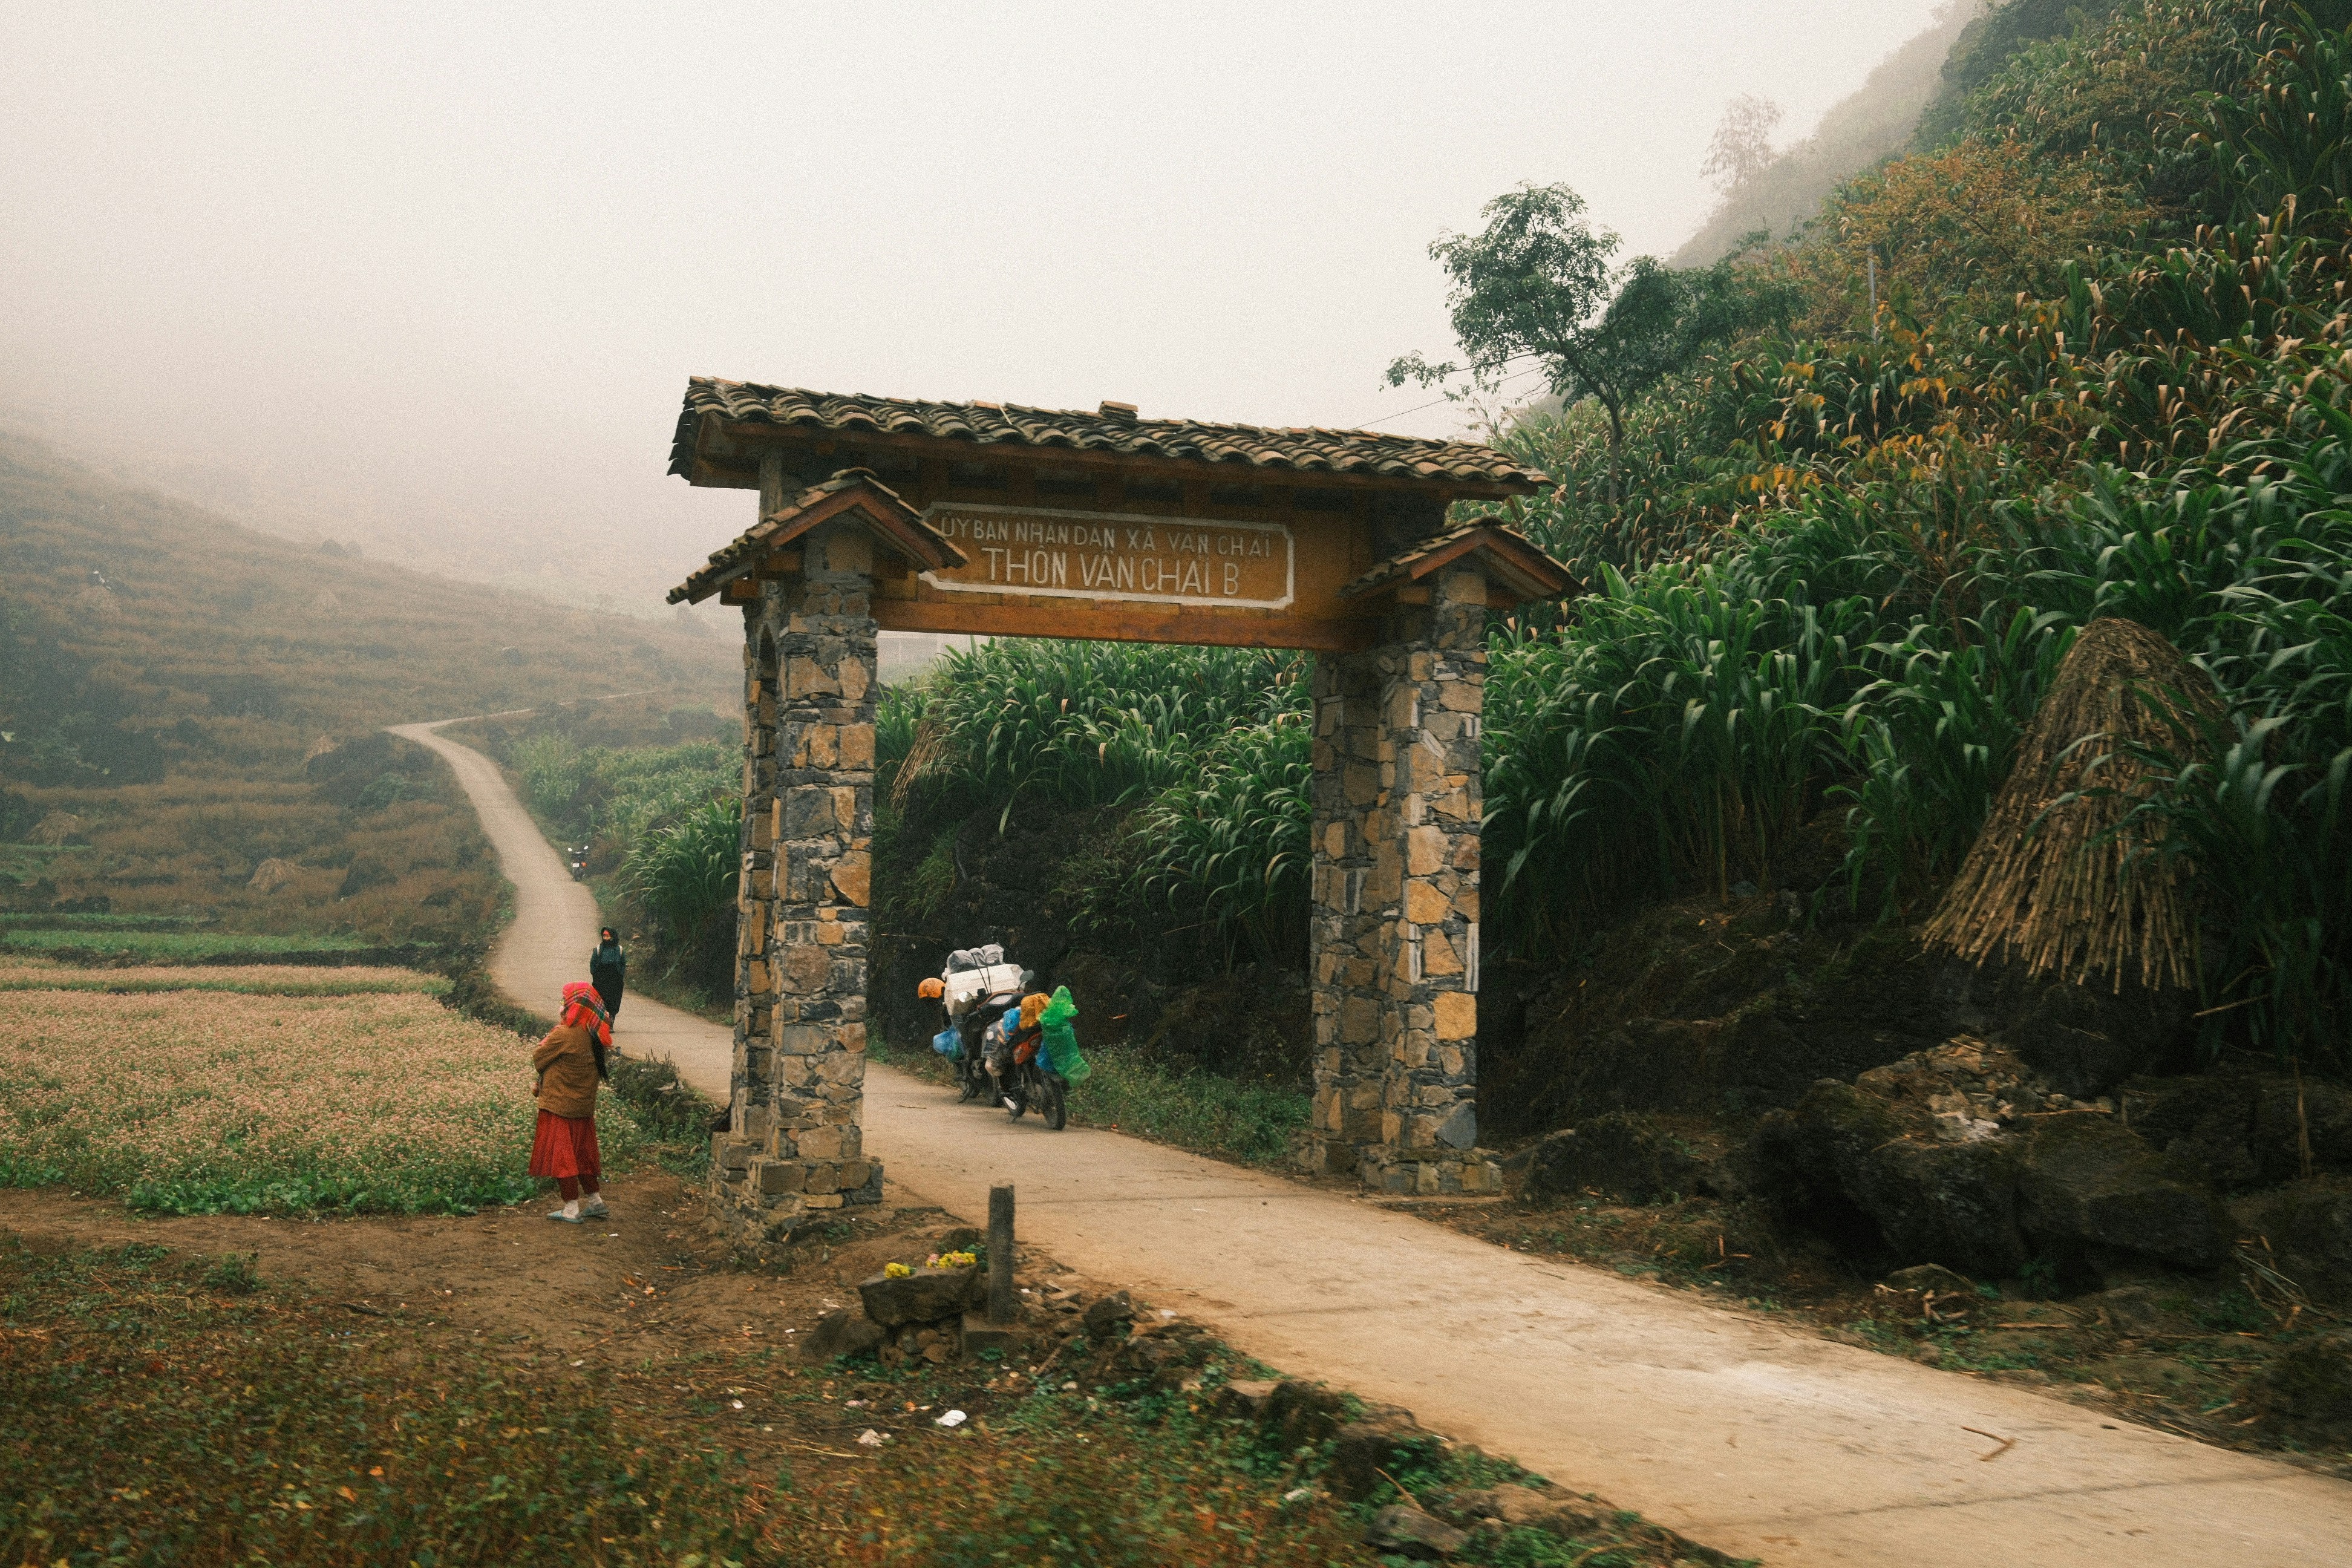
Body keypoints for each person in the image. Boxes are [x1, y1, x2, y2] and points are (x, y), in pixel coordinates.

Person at [532, 982, 611, 1223]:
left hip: (560, 1107)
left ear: (573, 1007)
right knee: (582, 1155)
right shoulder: (596, 1035)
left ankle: (571, 1209)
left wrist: (558, 1026)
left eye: (566, 1003)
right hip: (583, 1108)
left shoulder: (563, 1034)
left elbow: (538, 1059)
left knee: (563, 1158)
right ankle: (596, 1202)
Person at [589, 927, 627, 1021]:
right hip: (601, 979)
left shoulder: (619, 950)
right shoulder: (599, 950)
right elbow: (593, 963)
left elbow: (623, 963)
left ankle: (611, 1022)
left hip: (615, 979)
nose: (605, 938)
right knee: (600, 1000)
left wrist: (620, 974)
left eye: (608, 936)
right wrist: (595, 974)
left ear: (613, 937)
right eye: (604, 936)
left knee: (614, 1001)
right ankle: (602, 1021)